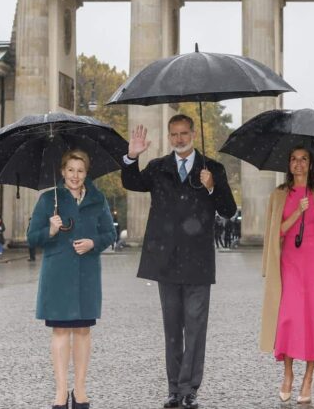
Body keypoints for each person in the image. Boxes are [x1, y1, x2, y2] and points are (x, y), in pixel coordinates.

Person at [121, 116, 236, 409]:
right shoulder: (158, 167)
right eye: (174, 135)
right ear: (170, 137)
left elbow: (228, 210)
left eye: (184, 133)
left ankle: (189, 389)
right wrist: (132, 156)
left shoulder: (213, 169)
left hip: (198, 260)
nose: (179, 139)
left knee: (195, 327)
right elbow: (131, 182)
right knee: (172, 328)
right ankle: (174, 389)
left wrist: (212, 188)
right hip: (165, 259)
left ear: (194, 133)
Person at [27, 149, 116, 409]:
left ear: (86, 173)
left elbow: (110, 233)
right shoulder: (47, 200)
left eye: (80, 170)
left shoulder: (98, 199)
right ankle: (60, 391)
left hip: (87, 272)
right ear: (62, 172)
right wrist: (51, 230)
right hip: (58, 273)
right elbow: (32, 237)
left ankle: (80, 390)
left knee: (83, 331)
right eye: (70, 170)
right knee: (60, 331)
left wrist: (93, 242)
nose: (75, 176)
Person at [260, 147, 314, 405]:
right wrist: (298, 212)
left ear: (311, 165)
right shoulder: (278, 195)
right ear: (288, 164)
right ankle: (287, 373)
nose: (298, 164)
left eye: (303, 160)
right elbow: (275, 233)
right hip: (288, 264)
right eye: (294, 160)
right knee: (288, 318)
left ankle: (308, 378)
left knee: (312, 321)